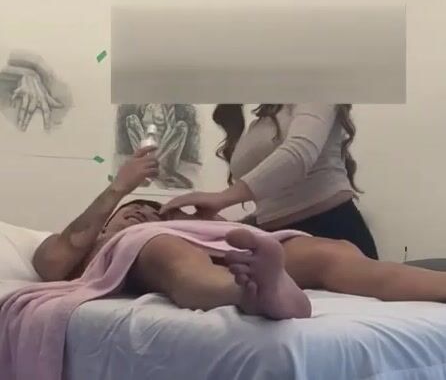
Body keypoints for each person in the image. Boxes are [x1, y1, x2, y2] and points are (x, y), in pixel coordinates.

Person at [32, 145, 446, 321]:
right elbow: (53, 261)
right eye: (133, 213)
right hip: (164, 252)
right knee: (168, 251)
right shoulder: (104, 244)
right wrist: (120, 189)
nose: (145, 214)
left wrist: (212, 222)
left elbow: (229, 242)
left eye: (151, 212)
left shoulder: (171, 229)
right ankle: (252, 293)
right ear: (106, 226)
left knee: (329, 252)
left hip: (206, 244)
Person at [161, 103, 379, 259]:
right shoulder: (261, 122)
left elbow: (298, 154)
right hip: (278, 239)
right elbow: (274, 202)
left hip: (330, 228)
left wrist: (222, 198)